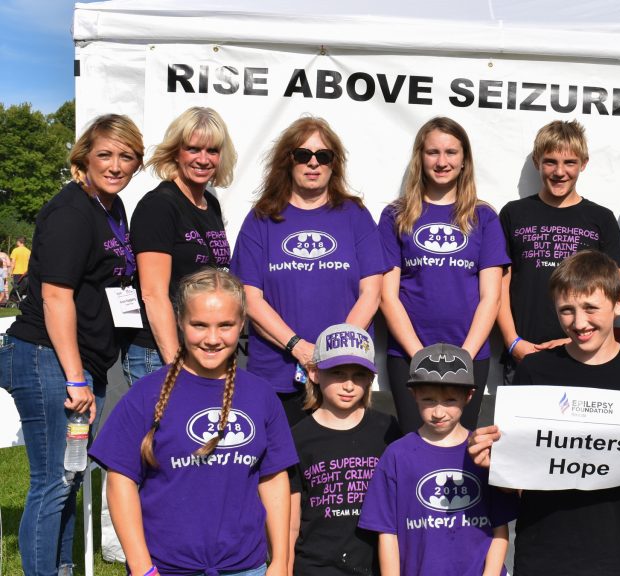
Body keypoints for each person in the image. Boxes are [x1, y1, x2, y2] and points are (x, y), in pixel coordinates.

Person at [469, 251, 620, 576]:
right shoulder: (534, 370)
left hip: (616, 558)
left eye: (591, 308)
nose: (579, 323)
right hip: (540, 555)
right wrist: (493, 463)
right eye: (567, 310)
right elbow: (514, 481)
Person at [0, 114, 143, 576]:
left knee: (72, 475)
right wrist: (76, 377)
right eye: (105, 154)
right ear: (84, 158)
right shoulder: (72, 212)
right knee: (52, 481)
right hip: (48, 358)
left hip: (82, 362)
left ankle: (61, 568)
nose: (116, 165)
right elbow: (56, 297)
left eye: (126, 156)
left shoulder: (111, 207)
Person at [90, 268, 298, 576]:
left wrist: (280, 560)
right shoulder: (146, 395)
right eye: (199, 325)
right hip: (165, 568)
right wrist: (142, 567)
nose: (212, 339)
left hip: (245, 567)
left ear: (242, 323)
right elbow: (121, 481)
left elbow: (274, 479)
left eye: (225, 325)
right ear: (180, 321)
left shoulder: (261, 395)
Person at [231, 116, 386, 426]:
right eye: (303, 155)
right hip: (277, 374)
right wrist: (299, 348)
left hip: (344, 377)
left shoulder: (355, 215)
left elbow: (372, 293)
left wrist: (336, 352)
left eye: (323, 156)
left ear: (334, 163)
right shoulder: (262, 218)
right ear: (288, 160)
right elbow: (249, 297)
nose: (313, 163)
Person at [378, 117, 508, 432]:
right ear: (420, 158)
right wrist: (419, 355)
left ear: (464, 160)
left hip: (470, 354)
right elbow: (387, 296)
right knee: (414, 443)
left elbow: (491, 297)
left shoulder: (484, 217)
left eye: (451, 152)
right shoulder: (395, 215)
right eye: (433, 152)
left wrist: (464, 356)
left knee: (460, 447)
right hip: (408, 355)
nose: (442, 161)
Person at [359, 343, 517, 576]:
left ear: (469, 396)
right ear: (413, 395)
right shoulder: (396, 455)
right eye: (429, 400)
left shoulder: (484, 452)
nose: (438, 412)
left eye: (450, 400)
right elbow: (387, 533)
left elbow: (500, 530)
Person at [497, 120, 620, 384]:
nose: (559, 172)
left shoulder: (601, 218)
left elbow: (614, 291)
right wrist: (513, 342)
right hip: (525, 354)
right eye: (550, 162)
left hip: (585, 353)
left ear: (583, 163)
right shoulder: (513, 213)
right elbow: (499, 284)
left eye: (569, 162)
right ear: (537, 161)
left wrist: (573, 340)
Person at [124, 106, 237, 382]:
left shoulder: (210, 204)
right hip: (158, 351)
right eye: (193, 149)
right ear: (176, 152)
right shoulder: (159, 206)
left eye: (212, 151)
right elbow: (153, 294)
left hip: (196, 348)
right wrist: (176, 366)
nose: (203, 159)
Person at [288, 323, 402, 576]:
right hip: (315, 568)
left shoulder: (387, 428)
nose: (349, 385)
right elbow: (291, 523)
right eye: (337, 373)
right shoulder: (297, 437)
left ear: (370, 378)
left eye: (359, 375)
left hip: (376, 565)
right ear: (314, 373)